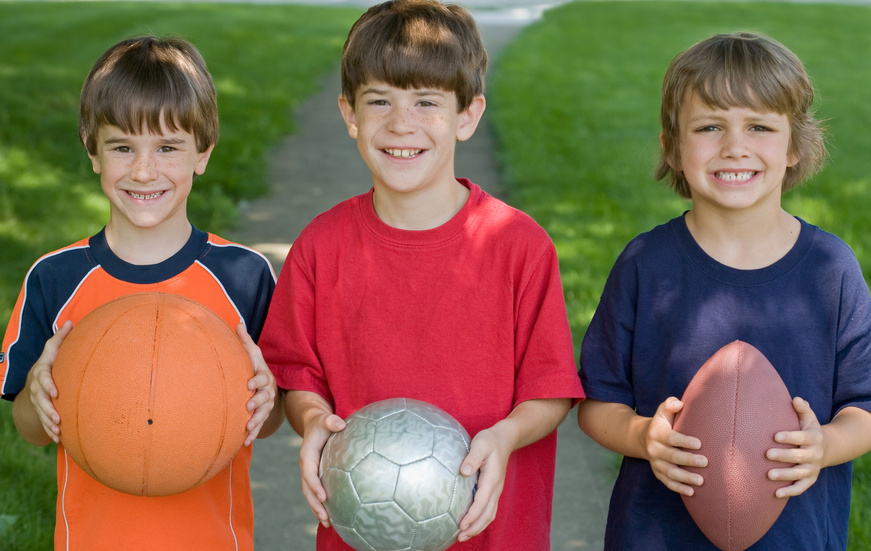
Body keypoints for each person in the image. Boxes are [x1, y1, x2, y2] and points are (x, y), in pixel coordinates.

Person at [258, 0, 584, 548]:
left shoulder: (519, 247)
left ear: (468, 115)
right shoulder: (321, 246)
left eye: (426, 101)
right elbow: (298, 375)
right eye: (379, 100)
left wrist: (504, 438)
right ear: (349, 114)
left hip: (491, 531)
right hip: (361, 532)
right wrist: (314, 422)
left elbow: (549, 389)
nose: (400, 123)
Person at [577, 32, 871, 550]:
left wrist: (826, 445)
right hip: (658, 536)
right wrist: (643, 436)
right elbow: (597, 403)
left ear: (794, 146)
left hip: (796, 537)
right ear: (672, 147)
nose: (735, 147)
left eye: (758, 126)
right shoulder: (646, 265)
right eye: (709, 127)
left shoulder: (831, 269)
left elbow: (864, 405)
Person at [0, 35, 283, 550]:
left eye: (168, 147)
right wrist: (38, 394)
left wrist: (270, 400)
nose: (144, 170)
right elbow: (30, 428)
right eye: (123, 147)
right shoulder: (55, 278)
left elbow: (266, 422)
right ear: (93, 152)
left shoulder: (245, 276)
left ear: (203, 153)